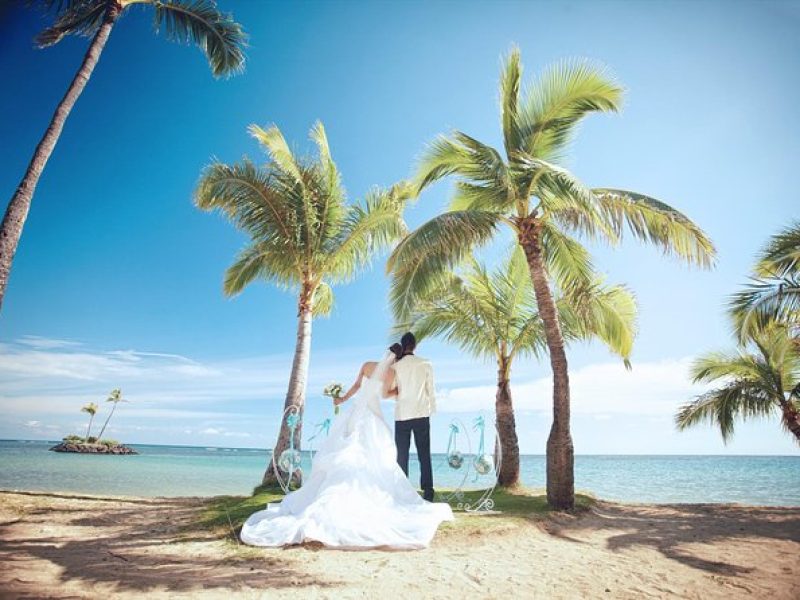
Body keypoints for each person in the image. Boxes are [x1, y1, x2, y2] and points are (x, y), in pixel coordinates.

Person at [240, 344, 453, 549]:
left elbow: (356, 386)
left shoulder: (367, 365)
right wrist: (398, 392)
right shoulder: (392, 374)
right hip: (373, 415)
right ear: (396, 358)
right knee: (373, 452)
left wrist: (341, 399)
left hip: (355, 413)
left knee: (346, 448)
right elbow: (385, 394)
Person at [383, 332, 436, 501]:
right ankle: (428, 492)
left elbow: (390, 390)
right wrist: (431, 410)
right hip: (421, 413)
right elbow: (431, 390)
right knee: (424, 454)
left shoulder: (396, 366)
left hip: (402, 415)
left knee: (402, 455)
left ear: (402, 345)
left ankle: (402, 491)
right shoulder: (426, 363)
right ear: (415, 345)